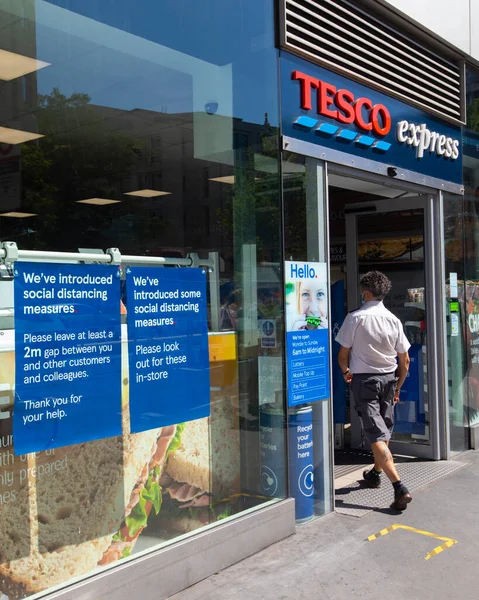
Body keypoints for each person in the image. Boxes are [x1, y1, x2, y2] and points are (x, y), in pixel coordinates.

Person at [336, 271, 412, 511]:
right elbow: (405, 360)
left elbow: (342, 355)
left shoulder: (355, 318)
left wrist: (345, 371)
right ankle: (375, 474)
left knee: (376, 434)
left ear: (366, 292)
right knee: (384, 429)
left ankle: (399, 486)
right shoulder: (394, 320)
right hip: (389, 380)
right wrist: (398, 385)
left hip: (364, 381)